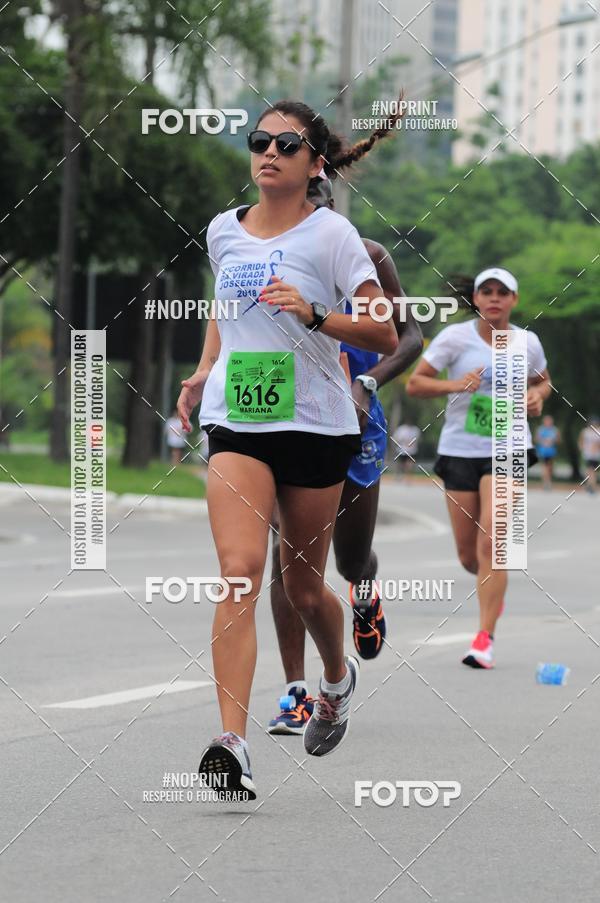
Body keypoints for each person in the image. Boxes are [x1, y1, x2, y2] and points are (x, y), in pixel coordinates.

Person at [177, 100, 399, 798]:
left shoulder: (333, 235)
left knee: (303, 587)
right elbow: (225, 308)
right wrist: (205, 369)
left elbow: (384, 333)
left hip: (316, 426)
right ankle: (232, 744)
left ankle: (336, 678)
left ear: (315, 163)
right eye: (260, 140)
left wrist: (314, 313)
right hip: (238, 419)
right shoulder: (223, 230)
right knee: (240, 572)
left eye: (287, 144)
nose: (269, 152)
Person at [267, 175, 423, 736]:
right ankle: (296, 693)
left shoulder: (369, 256)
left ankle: (365, 590)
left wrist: (367, 382)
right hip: (283, 415)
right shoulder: (263, 253)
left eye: (314, 203)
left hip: (355, 421)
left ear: (331, 207)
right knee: (285, 557)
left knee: (350, 560)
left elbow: (410, 337)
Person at [407, 267, 552, 669]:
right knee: (470, 557)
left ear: (514, 300)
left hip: (510, 446)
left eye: (502, 292)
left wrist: (538, 395)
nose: (494, 298)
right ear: (475, 299)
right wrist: (455, 385)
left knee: (494, 543)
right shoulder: (455, 338)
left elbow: (543, 380)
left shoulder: (527, 341)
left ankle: (484, 639)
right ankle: (493, 595)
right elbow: (416, 384)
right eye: (486, 291)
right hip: (460, 450)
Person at [535, 415, 560, 491]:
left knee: (550, 467)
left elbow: (558, 440)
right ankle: (546, 483)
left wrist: (552, 441)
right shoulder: (541, 429)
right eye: (547, 421)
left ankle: (548, 481)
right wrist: (544, 442)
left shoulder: (554, 430)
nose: (548, 422)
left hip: (551, 451)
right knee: (545, 467)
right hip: (543, 451)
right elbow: (536, 439)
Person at [579, 416, 600, 494]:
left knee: (591, 471)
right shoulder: (585, 432)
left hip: (595, 455)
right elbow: (581, 441)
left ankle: (590, 486)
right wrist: (582, 448)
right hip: (587, 454)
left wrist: (596, 448)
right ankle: (591, 486)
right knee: (590, 470)